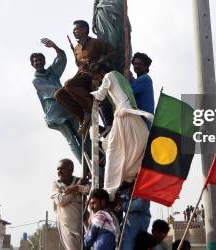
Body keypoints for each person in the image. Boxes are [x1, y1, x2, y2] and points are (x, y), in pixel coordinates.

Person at [89, 63, 152, 201]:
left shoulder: (108, 76)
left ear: (100, 73)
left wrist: (90, 94)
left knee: (113, 149)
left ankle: (110, 190)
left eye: (96, 77)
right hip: (130, 114)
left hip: (124, 116)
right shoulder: (120, 76)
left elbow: (100, 95)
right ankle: (126, 177)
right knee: (134, 144)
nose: (98, 80)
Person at [55, 20, 115, 133]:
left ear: (84, 30)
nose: (74, 32)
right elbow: (79, 65)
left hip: (93, 76)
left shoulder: (95, 42)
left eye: (76, 29)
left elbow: (112, 52)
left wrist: (99, 62)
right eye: (73, 30)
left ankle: (89, 108)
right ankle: (85, 118)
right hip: (81, 75)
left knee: (69, 84)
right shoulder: (76, 48)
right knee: (59, 95)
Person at [92, 0, 144, 74]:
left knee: (122, 41)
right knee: (108, 42)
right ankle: (108, 68)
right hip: (103, 13)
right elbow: (96, 1)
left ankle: (121, 70)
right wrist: (94, 20)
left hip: (120, 14)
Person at [31, 38, 83, 160]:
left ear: (44, 61)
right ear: (32, 64)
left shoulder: (52, 72)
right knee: (72, 140)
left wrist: (55, 46)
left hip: (68, 109)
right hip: (55, 115)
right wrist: (72, 88)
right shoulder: (36, 80)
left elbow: (62, 59)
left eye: (40, 60)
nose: (38, 62)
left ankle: (95, 161)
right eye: (35, 61)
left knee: (83, 136)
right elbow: (54, 92)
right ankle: (84, 166)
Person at [51, 159, 89, 250]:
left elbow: (89, 189)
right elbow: (60, 200)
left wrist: (77, 187)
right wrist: (74, 189)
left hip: (82, 225)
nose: (59, 172)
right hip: (66, 227)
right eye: (58, 169)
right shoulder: (56, 185)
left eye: (62, 169)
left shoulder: (79, 181)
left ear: (71, 170)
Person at [128, 52, 155, 120]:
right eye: (135, 64)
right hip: (143, 120)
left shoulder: (144, 79)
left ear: (146, 66)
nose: (136, 66)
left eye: (139, 64)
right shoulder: (143, 79)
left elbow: (127, 92)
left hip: (142, 122)